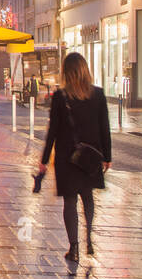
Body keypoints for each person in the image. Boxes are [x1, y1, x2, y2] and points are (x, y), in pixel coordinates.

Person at [36, 52, 112, 261]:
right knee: (87, 197)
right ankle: (89, 239)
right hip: (91, 156)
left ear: (66, 73)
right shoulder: (98, 94)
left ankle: (74, 248)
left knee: (70, 202)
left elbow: (53, 131)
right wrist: (107, 156)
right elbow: (105, 128)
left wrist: (43, 161)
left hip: (67, 158)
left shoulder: (61, 97)